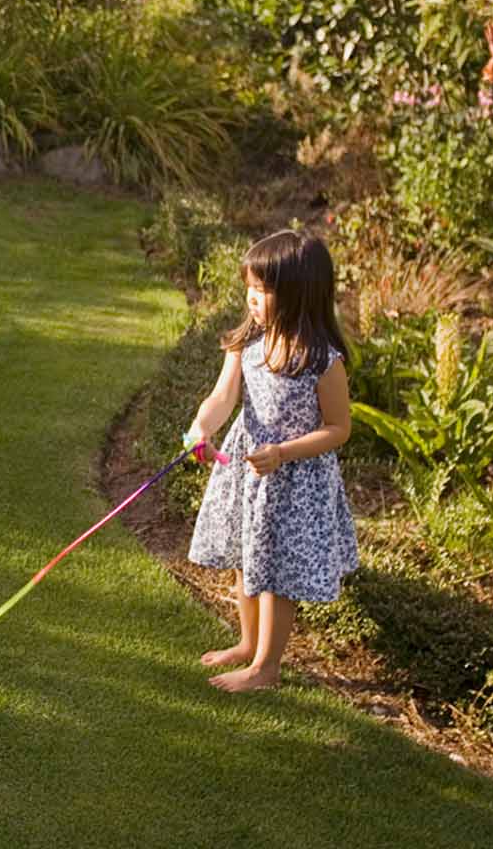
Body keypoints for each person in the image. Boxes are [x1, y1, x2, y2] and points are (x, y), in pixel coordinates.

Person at [184, 229, 357, 692]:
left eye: (264, 289)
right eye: (251, 287)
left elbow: (339, 428)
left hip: (293, 479)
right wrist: (202, 428)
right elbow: (223, 396)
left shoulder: (322, 360)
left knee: (275, 570)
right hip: (249, 469)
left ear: (301, 293)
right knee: (246, 557)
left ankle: (266, 667)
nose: (253, 298)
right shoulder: (248, 343)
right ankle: (246, 645)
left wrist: (283, 452)